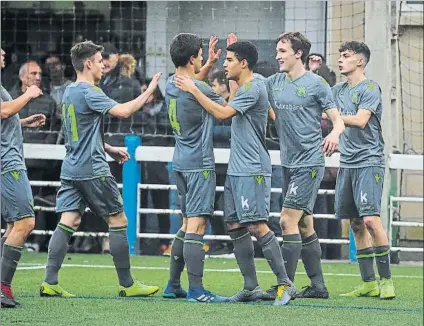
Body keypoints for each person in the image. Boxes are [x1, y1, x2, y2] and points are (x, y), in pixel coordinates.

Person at [174, 38, 295, 306]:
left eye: (229, 60)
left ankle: (286, 283)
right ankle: (250, 287)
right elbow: (233, 92)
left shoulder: (253, 88)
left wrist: (195, 89)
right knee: (235, 226)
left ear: (244, 63)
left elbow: (222, 113)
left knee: (256, 224)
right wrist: (228, 59)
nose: (224, 64)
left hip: (253, 168)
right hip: (237, 168)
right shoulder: (248, 84)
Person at [39, 40, 162, 298]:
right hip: (93, 170)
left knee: (69, 220)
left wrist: (108, 148)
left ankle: (49, 282)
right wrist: (149, 88)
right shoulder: (89, 91)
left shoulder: (69, 92)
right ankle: (128, 285)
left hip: (71, 168)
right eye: (99, 61)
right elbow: (125, 111)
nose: (103, 66)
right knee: (119, 220)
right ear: (88, 64)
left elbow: (80, 133)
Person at [265, 32, 344, 299]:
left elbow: (339, 120)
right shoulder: (273, 82)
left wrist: (333, 134)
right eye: (278, 50)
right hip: (288, 163)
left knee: (286, 220)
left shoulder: (317, 84)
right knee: (304, 225)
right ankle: (318, 287)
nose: (277, 55)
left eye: (283, 50)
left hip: (310, 163)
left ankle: (284, 285)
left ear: (299, 53)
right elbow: (250, 95)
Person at [162, 33, 228, 303]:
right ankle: (197, 290)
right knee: (197, 226)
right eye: (200, 54)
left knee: (187, 223)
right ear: (191, 58)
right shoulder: (201, 91)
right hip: (200, 164)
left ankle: (173, 285)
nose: (202, 58)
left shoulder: (170, 83)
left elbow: (193, 81)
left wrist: (210, 62)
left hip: (180, 162)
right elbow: (228, 110)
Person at [332, 41, 395, 299]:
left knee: (370, 219)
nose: (340, 60)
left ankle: (387, 281)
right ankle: (368, 282)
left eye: (346, 56)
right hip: (346, 162)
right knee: (356, 223)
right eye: (340, 56)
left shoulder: (370, 88)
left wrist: (333, 116)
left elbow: (359, 120)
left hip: (369, 160)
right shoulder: (336, 90)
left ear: (360, 61)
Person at [1, 48, 45, 308]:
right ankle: (2, 288)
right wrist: (27, 94)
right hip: (8, 163)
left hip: (9, 161)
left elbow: (6, 116)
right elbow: (4, 112)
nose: (4, 52)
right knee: (25, 222)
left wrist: (24, 121)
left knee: (12, 226)